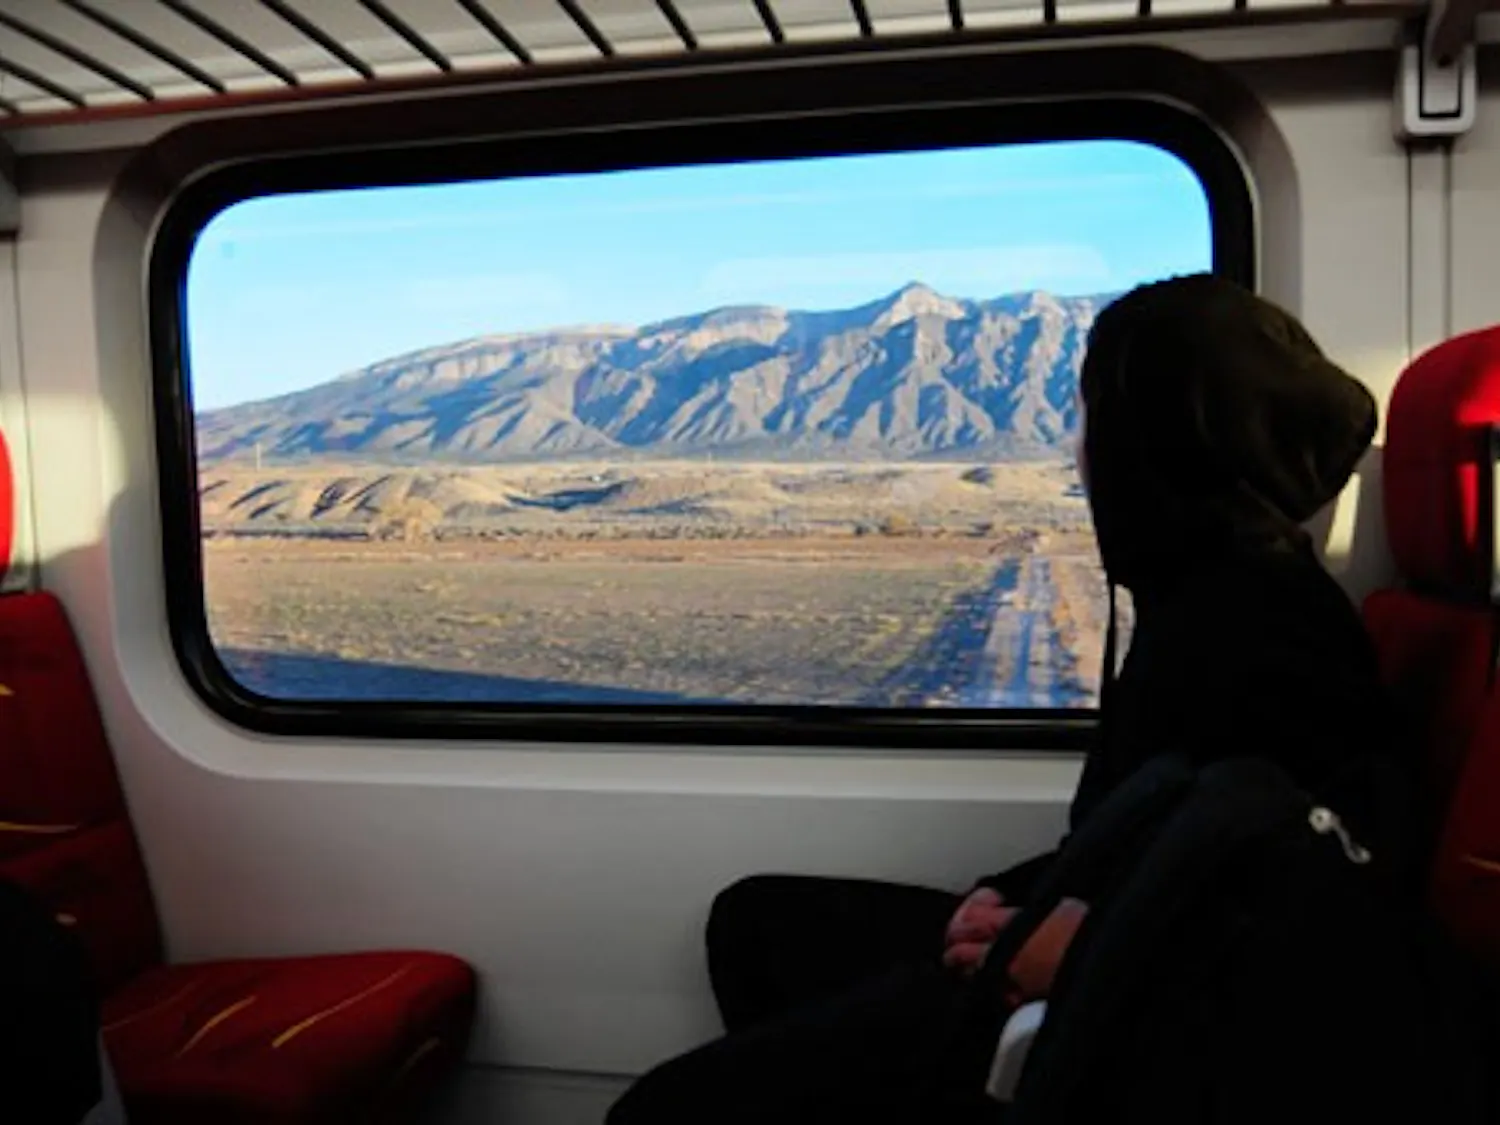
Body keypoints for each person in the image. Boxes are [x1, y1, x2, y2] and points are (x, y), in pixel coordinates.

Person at [606, 273, 1398, 1125]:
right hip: (1083, 923)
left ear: (1158, 444)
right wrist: (1000, 896)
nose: (1078, 451)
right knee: (759, 921)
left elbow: (1285, 908)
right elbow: (1132, 831)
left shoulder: (1266, 633)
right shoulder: (1200, 595)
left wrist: (1063, 945)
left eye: (1094, 420)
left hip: (1110, 996)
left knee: (659, 1111)